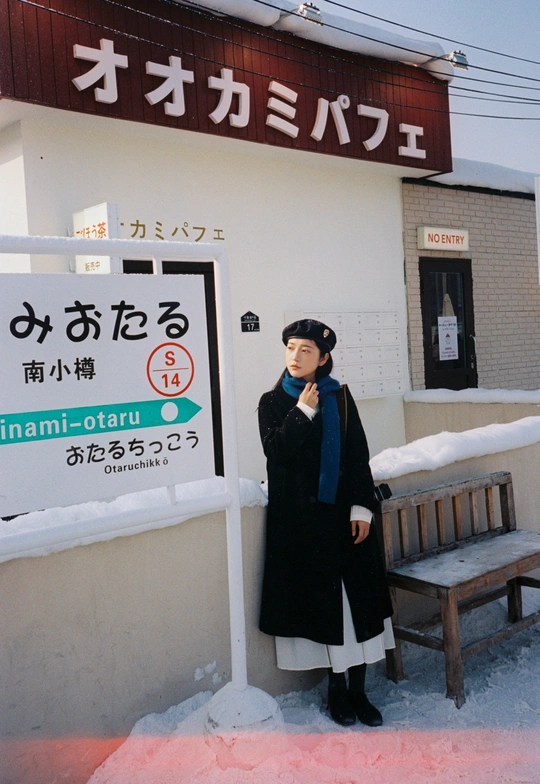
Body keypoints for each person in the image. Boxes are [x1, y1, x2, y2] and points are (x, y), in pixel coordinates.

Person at [258, 319, 395, 727]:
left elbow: (357, 455)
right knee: (327, 612)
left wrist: (362, 508)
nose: (295, 357)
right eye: (291, 348)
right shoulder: (272, 401)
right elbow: (276, 452)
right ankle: (337, 691)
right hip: (304, 526)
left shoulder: (340, 398)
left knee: (357, 610)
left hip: (346, 522)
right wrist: (303, 411)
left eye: (306, 350)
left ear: (323, 358)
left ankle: (359, 691)